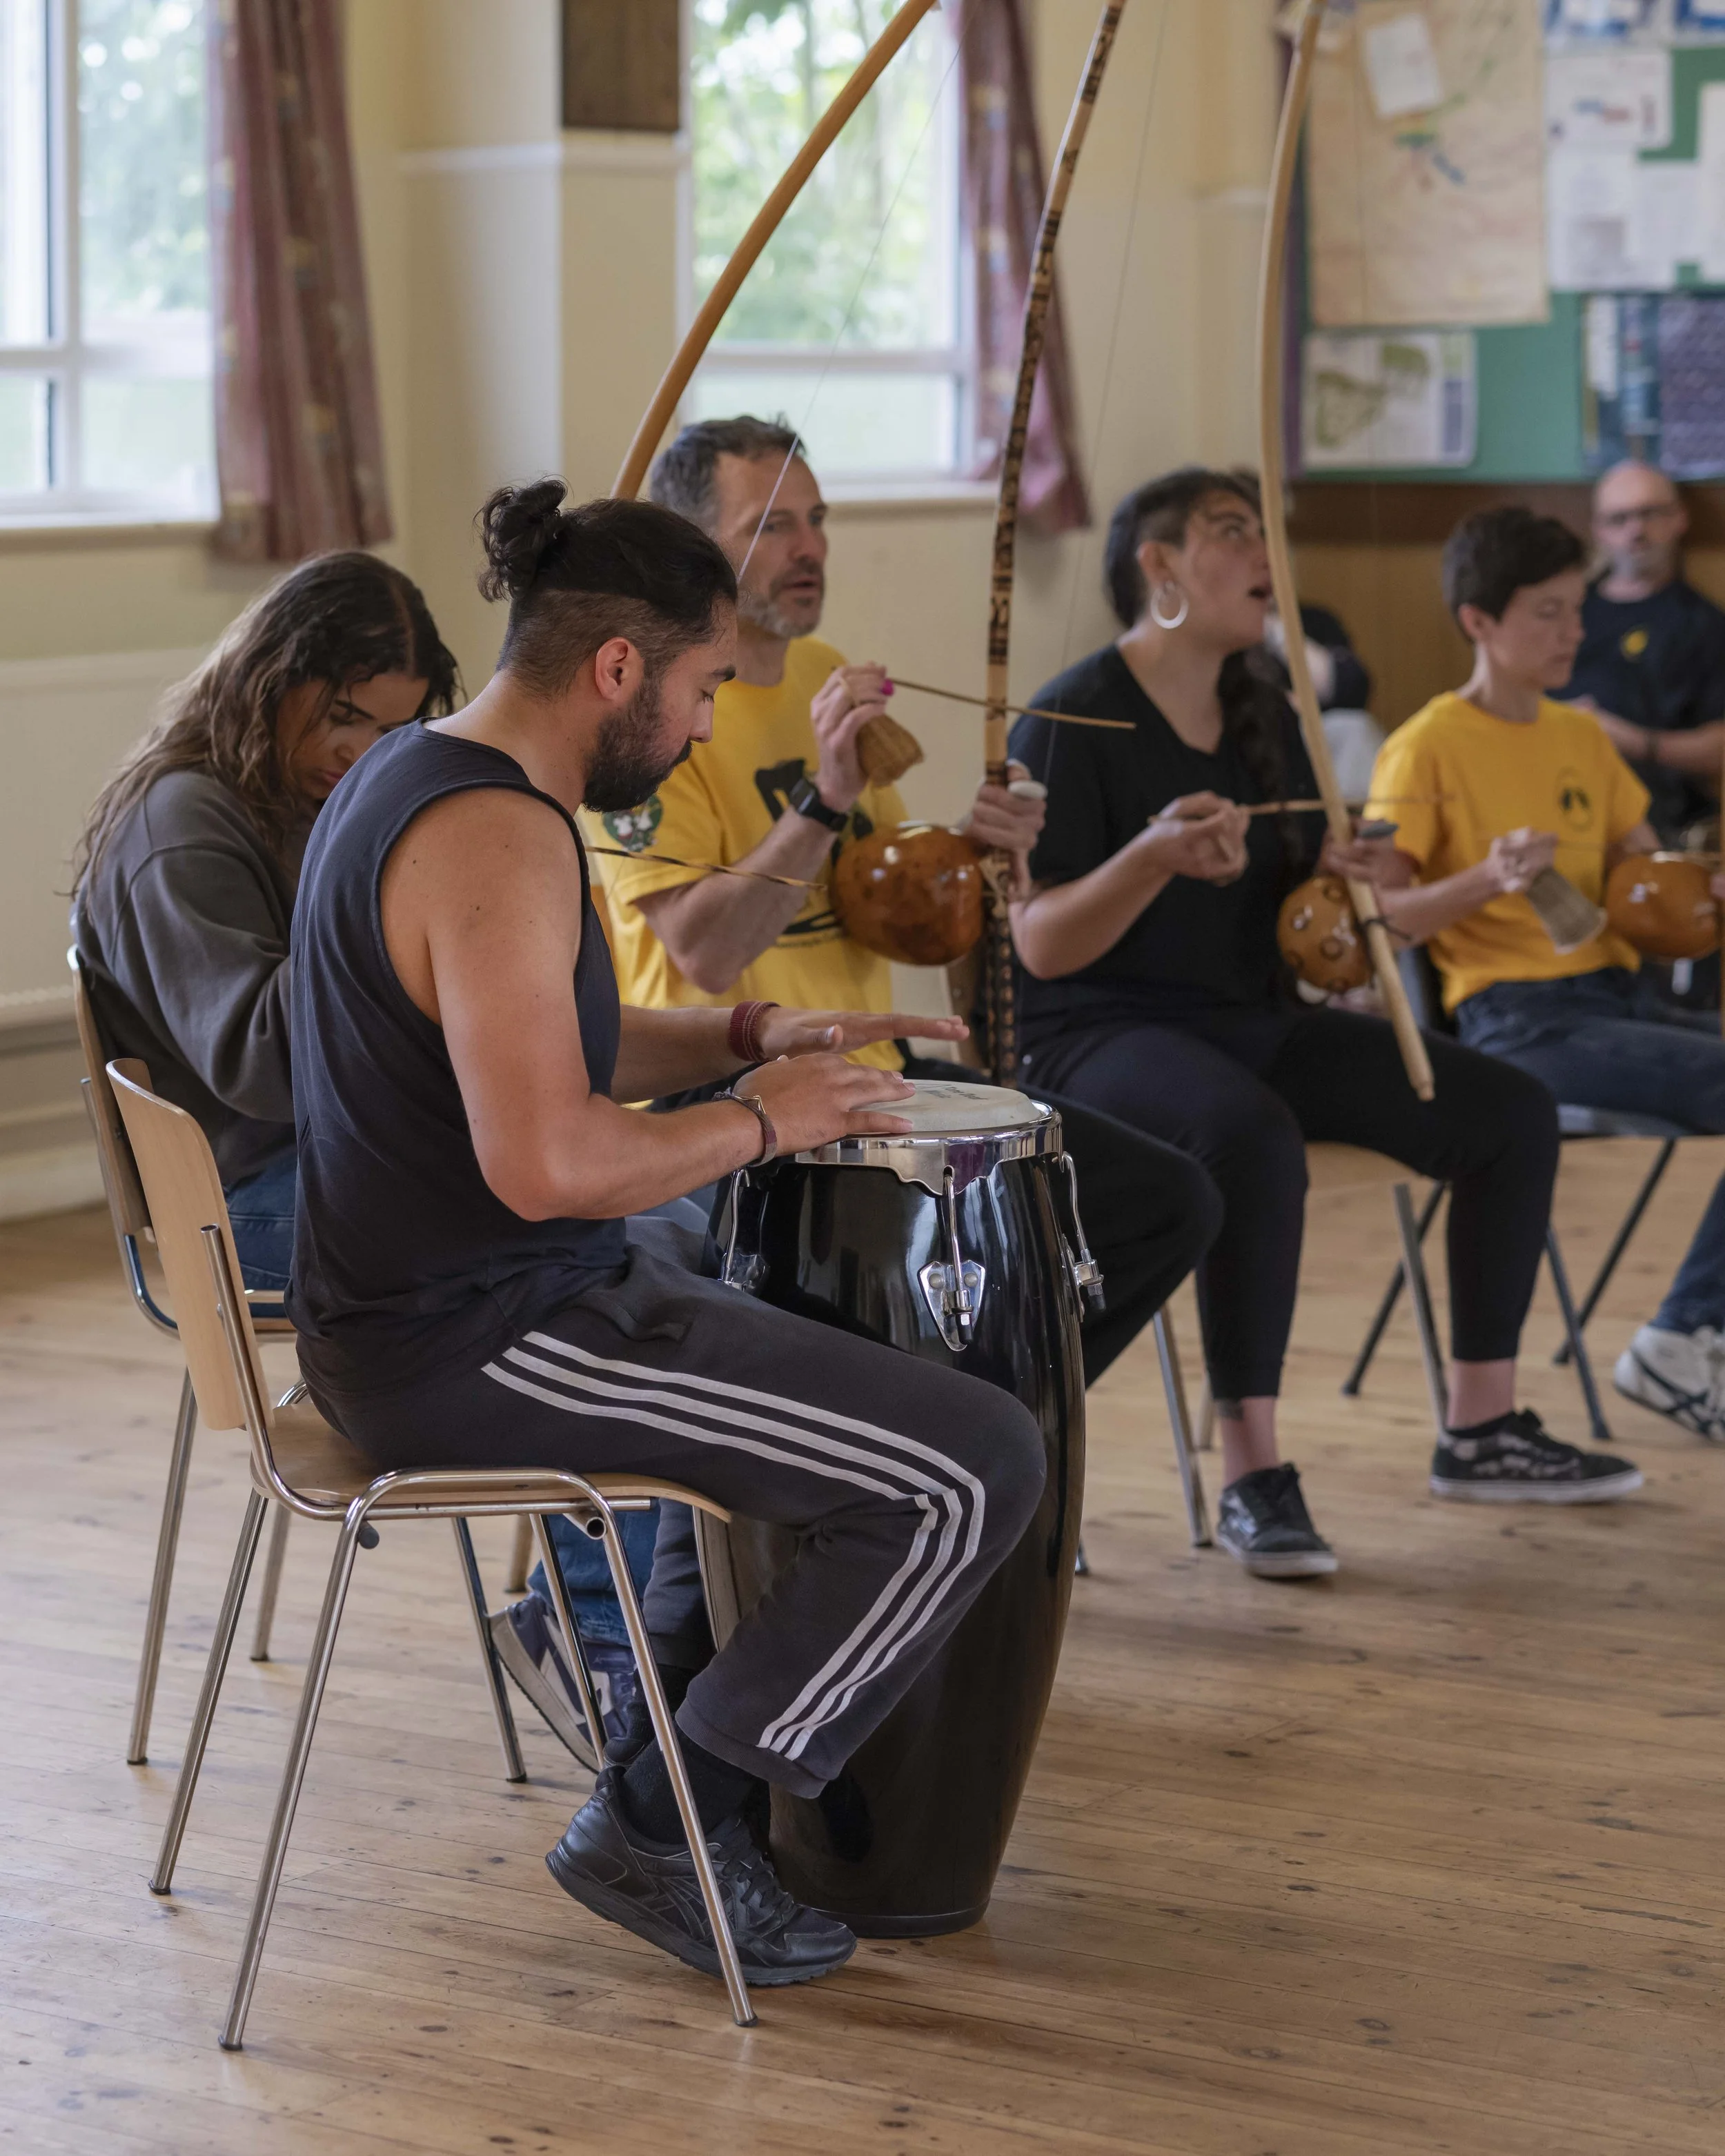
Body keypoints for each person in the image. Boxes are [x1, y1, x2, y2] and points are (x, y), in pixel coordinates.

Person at [286, 479, 1048, 1988]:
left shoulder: (424, 777)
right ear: (618, 666)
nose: (705, 726)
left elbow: (547, 1041)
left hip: (469, 1303)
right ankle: (666, 1816)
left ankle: (678, 1743)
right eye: (701, 685)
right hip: (474, 1341)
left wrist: (747, 1031)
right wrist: (763, 1119)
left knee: (800, 1323)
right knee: (971, 1468)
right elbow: (549, 1159)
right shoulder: (496, 837)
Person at [1002, 467, 1642, 1579]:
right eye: (1234, 532)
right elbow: (1042, 945)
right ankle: (1253, 1472)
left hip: (1252, 1020)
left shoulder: (1267, 706)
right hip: (1095, 1035)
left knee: (1507, 1111)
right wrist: (1151, 857)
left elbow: (1309, 920)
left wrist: (1351, 881)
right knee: (1248, 1135)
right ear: (1160, 567)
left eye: (1266, 532)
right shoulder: (1074, 715)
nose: (1267, 556)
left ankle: (1481, 1427)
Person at [599, 411, 1218, 1389]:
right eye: (772, 525)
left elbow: (890, 913)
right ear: (694, 548)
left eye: (816, 519)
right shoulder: (655, 714)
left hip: (873, 1077)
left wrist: (973, 850)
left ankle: (1002, 1440)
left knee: (1165, 1199)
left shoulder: (822, 672)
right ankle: (959, 1443)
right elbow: (705, 954)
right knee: (896, 1336)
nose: (809, 548)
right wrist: (823, 798)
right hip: (728, 1090)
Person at [1373, 504, 1725, 1442]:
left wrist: (1696, 892)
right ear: (1478, 620)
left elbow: (1648, 882)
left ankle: (1694, 1332)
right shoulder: (1426, 745)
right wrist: (1485, 878)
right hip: (1515, 1027)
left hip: (1615, 1001)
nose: (1575, 631)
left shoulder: (1582, 737)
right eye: (1549, 613)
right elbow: (1382, 921)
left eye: (1577, 609)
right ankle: (1681, 1336)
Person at [72, 553, 457, 1294]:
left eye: (389, 729)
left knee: (593, 1203)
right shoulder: (180, 824)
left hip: (333, 1157)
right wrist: (387, 877)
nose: (359, 752)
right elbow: (262, 1066)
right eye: (343, 716)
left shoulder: (301, 800)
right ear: (268, 677)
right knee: (541, 1225)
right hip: (237, 1202)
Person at [1562, 460, 1725, 847]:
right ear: (1599, 530)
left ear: (1679, 519)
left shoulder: (1704, 624)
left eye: (1650, 514)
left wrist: (1631, 740)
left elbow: (1720, 748)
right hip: (1558, 809)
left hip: (1661, 826)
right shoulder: (1566, 613)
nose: (1636, 530)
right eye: (1619, 519)